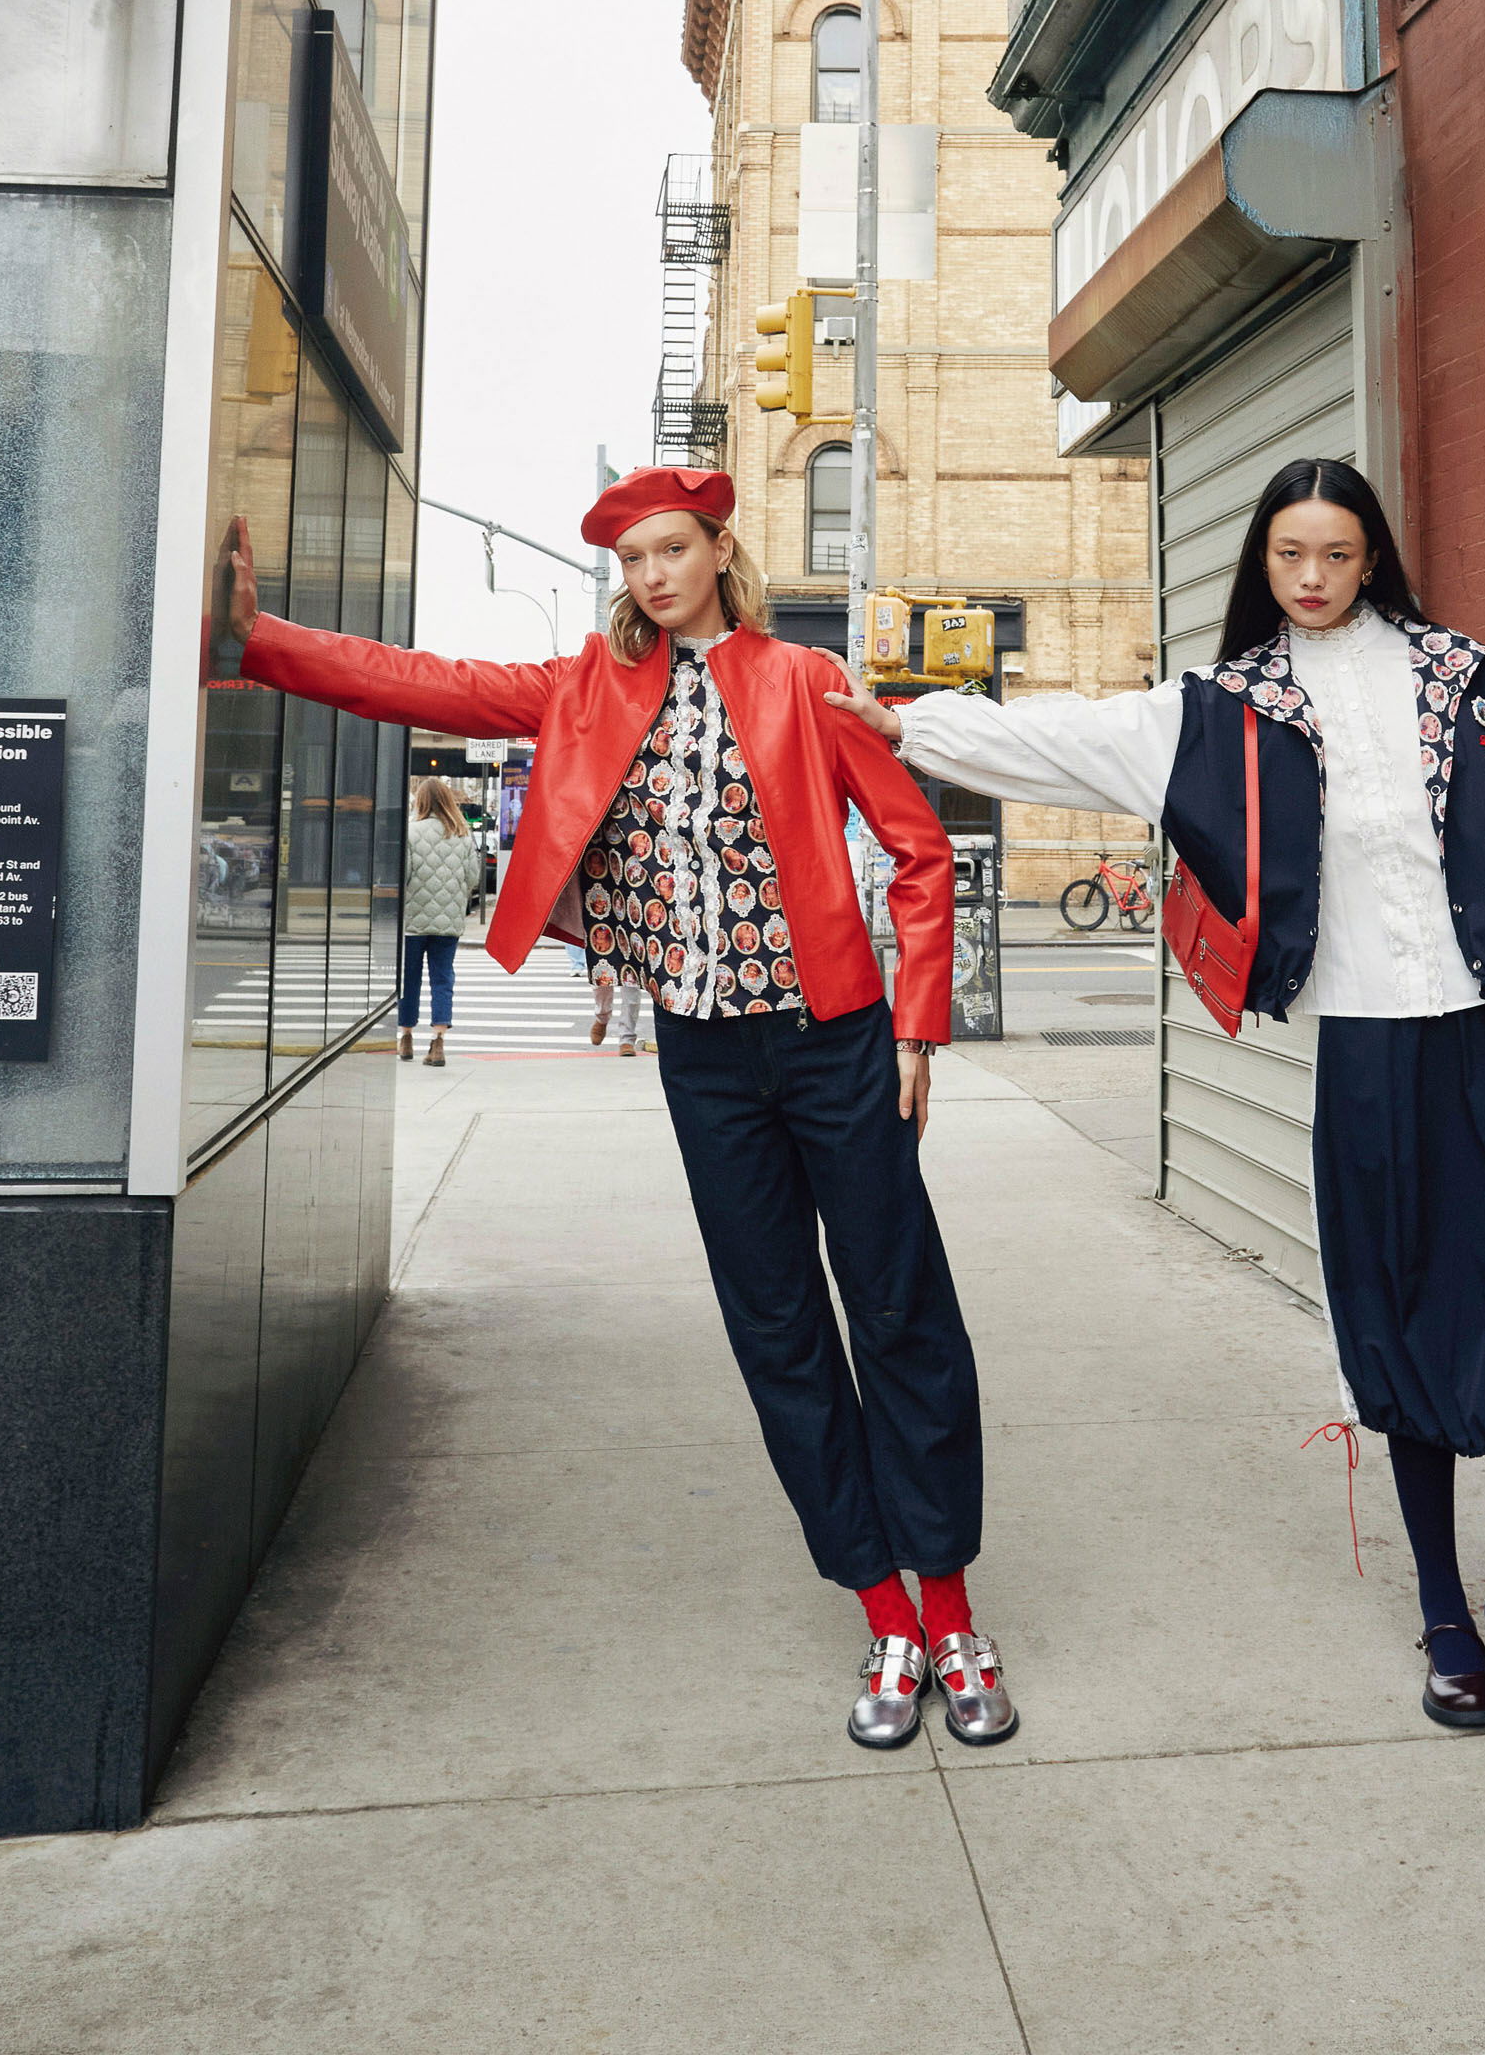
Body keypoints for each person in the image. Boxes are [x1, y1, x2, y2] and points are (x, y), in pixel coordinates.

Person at [828, 457, 1485, 1736]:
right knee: (1406, 1316)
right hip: (1370, 1053)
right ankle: (1443, 1619)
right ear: (1260, 563)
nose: (1311, 580)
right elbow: (1073, 740)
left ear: (1372, 559)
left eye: (1336, 555)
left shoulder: (1460, 676)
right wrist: (910, 726)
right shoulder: (1225, 709)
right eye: (1287, 557)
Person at [216, 464, 1015, 1749]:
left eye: (669, 550)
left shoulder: (803, 684)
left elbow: (916, 852)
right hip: (704, 1057)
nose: (649, 575)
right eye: (631, 557)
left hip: (835, 1040)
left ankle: (953, 1610)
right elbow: (426, 681)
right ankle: (881, 1613)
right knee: (777, 1329)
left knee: (898, 1304)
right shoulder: (585, 690)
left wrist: (919, 1023)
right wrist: (259, 643)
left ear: (715, 551)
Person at [399, 775, 480, 1067]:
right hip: (448, 921)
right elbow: (473, 878)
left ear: (420, 801)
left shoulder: (409, 832)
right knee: (443, 978)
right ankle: (438, 1042)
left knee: (409, 980)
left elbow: (403, 875)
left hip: (412, 921)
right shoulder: (462, 834)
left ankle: (406, 1037)